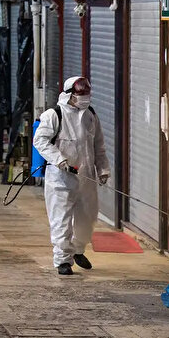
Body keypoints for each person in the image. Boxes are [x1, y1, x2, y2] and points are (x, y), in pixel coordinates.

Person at [33, 76, 111, 275]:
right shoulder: (54, 115)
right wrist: (60, 160)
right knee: (61, 220)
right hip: (61, 178)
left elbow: (98, 146)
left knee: (87, 217)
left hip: (86, 177)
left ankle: (77, 249)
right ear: (68, 94)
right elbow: (40, 141)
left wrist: (102, 170)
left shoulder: (90, 115)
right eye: (79, 94)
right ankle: (62, 260)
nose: (84, 98)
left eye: (86, 94)